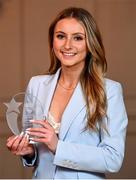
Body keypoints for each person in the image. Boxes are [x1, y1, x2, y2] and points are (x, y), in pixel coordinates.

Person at [6, 7, 128, 179]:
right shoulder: (36, 84)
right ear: (52, 41)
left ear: (91, 43)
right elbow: (34, 147)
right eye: (61, 36)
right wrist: (28, 152)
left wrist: (58, 147)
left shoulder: (110, 91)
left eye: (78, 38)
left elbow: (113, 159)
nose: (67, 45)